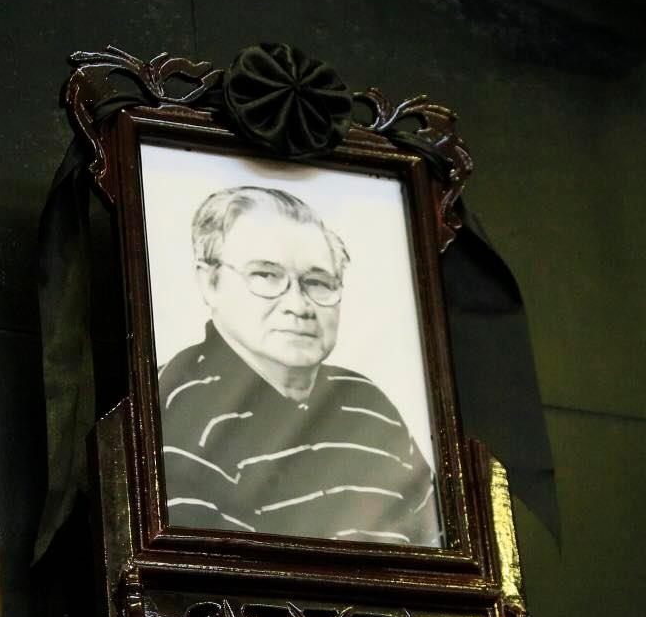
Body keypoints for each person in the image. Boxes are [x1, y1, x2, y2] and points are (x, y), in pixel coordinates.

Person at [156, 185, 441, 546]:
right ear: (209, 282)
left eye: (318, 282)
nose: (299, 305)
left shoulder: (367, 401)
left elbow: (438, 547)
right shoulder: (173, 403)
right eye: (266, 276)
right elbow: (211, 573)